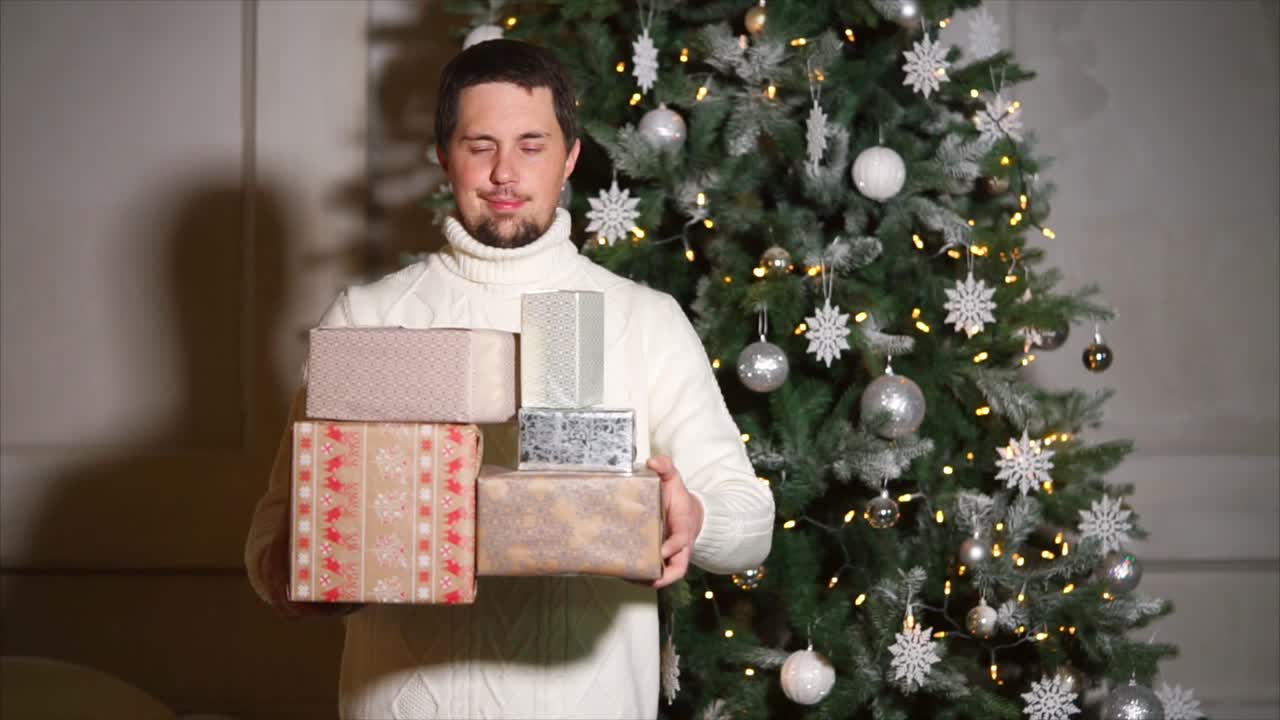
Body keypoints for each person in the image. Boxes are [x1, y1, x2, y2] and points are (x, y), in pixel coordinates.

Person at [244, 38, 774, 719]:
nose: (504, 172)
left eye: (531, 144)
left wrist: (692, 519)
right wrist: (307, 570)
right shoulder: (368, 316)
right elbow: (272, 534)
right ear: (444, 156)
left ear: (569, 158)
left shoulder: (643, 319)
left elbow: (750, 521)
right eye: (479, 144)